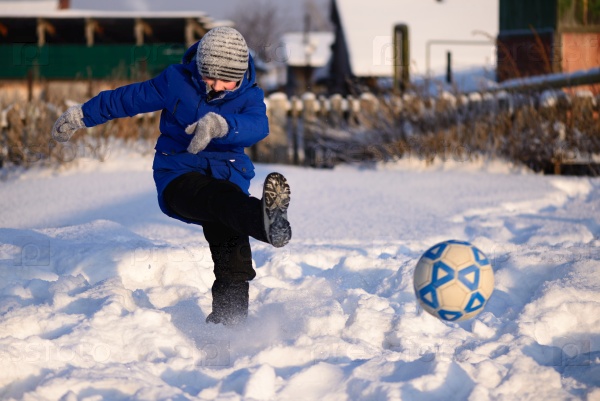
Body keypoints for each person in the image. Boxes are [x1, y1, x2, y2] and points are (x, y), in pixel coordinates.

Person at [51, 27, 292, 326]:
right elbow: (128, 99)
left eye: (226, 79)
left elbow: (258, 126)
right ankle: (263, 221)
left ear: (241, 74)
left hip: (227, 178)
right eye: (209, 76)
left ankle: (229, 324)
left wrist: (221, 125)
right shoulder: (175, 81)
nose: (216, 86)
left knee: (234, 255)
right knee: (218, 201)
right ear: (199, 67)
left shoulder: (250, 96)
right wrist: (82, 115)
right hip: (179, 176)